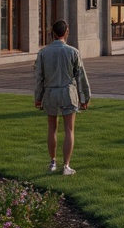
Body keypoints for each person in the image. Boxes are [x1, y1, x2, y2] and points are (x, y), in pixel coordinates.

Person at [34, 19, 90, 175]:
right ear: (66, 32)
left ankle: (52, 162)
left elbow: (39, 77)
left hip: (50, 93)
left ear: (52, 33)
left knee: (52, 129)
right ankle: (66, 166)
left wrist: (38, 97)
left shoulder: (43, 52)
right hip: (68, 93)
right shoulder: (73, 52)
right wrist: (84, 97)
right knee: (69, 130)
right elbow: (81, 77)